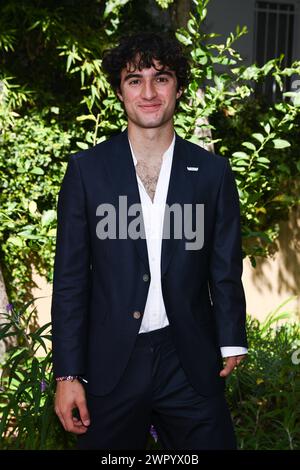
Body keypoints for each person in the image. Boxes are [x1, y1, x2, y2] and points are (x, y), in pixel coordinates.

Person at [51, 32, 248, 450]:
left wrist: (231, 336)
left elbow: (224, 264)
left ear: (178, 87)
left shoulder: (212, 172)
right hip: (112, 362)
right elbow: (70, 280)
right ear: (120, 92)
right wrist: (68, 375)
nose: (149, 92)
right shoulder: (87, 171)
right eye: (134, 79)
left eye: (161, 78)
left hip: (189, 356)